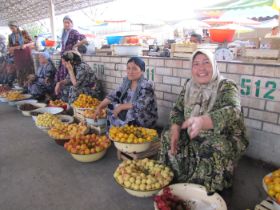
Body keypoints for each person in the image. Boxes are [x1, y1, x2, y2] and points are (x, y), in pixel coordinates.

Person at [159, 49, 248, 193]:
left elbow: (233, 110)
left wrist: (202, 121)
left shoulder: (226, 86)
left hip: (224, 136)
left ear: (214, 64)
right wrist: (175, 129)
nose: (201, 68)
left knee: (210, 147)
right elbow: (177, 109)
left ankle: (206, 191)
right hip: (193, 131)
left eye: (206, 62)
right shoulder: (189, 85)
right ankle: (176, 179)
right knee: (168, 135)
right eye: (196, 64)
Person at [93, 57, 158, 128]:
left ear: (142, 71)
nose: (130, 71)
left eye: (134, 69)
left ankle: (128, 133)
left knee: (131, 112)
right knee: (110, 106)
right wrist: (99, 107)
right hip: (128, 109)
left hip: (145, 116)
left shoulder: (146, 85)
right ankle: (114, 133)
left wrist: (121, 107)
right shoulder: (126, 82)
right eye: (128, 68)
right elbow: (112, 95)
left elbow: (140, 105)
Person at [55, 16, 87, 82]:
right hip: (64, 57)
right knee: (62, 76)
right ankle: (62, 90)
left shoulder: (73, 32)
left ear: (72, 24)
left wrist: (75, 46)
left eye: (68, 22)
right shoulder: (64, 33)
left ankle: (69, 91)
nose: (66, 24)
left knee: (69, 75)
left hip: (70, 58)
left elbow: (84, 40)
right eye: (64, 23)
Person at [7, 21, 34, 86]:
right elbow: (9, 47)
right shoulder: (10, 36)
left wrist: (25, 45)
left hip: (26, 54)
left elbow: (32, 43)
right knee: (20, 70)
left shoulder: (23, 33)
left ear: (16, 27)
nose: (12, 30)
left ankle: (30, 86)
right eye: (10, 28)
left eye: (13, 28)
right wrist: (16, 47)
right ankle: (22, 87)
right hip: (17, 56)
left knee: (28, 70)